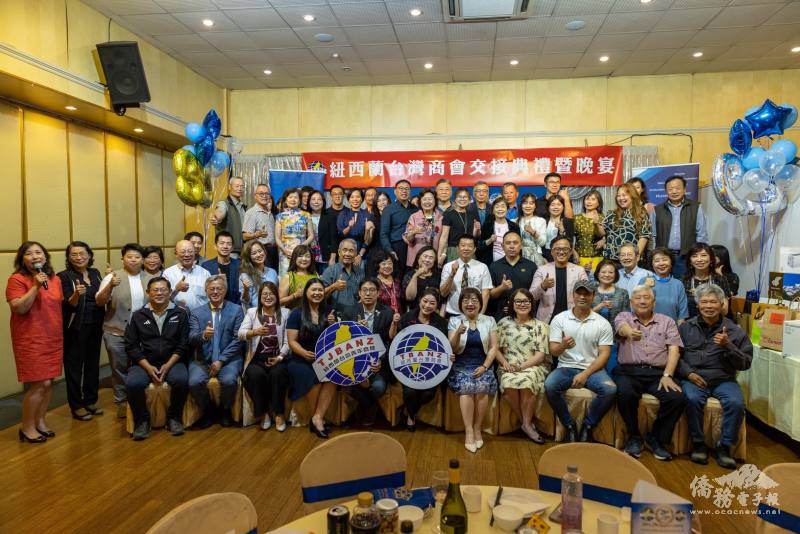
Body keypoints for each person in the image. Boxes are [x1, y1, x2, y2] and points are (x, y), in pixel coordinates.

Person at [677, 283, 752, 469]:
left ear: (721, 304)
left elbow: (745, 363)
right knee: (692, 399)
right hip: (694, 378)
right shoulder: (686, 327)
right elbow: (675, 356)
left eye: (713, 302)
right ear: (697, 305)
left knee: (736, 403)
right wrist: (689, 373)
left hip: (723, 379)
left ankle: (724, 447)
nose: (708, 306)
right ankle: (698, 444)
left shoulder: (734, 331)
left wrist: (728, 346)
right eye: (704, 302)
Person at [614, 285, 686, 461]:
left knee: (676, 397)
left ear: (654, 302)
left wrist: (667, 375)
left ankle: (655, 438)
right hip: (629, 372)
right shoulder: (624, 316)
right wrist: (630, 333)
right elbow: (622, 328)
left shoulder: (667, 321)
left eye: (646, 297)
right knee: (625, 393)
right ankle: (634, 436)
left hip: (658, 373)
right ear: (631, 302)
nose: (642, 301)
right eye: (638, 298)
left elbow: (674, 350)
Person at [545, 279, 616, 443]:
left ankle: (588, 426)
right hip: (566, 367)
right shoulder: (560, 319)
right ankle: (569, 425)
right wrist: (563, 345)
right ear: (573, 295)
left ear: (593, 296)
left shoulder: (602, 323)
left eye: (587, 294)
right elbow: (553, 351)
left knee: (610, 390)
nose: (582, 297)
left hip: (593, 369)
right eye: (579, 293)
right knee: (550, 386)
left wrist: (585, 374)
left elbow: (604, 354)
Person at [6, 241, 63, 443]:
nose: (35, 256)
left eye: (38, 252)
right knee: (40, 383)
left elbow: (56, 307)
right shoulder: (17, 279)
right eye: (29, 253)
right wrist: (36, 287)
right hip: (30, 339)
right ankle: (27, 428)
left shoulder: (54, 279)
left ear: (45, 257)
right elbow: (19, 308)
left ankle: (40, 422)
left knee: (49, 383)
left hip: (52, 337)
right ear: (22, 259)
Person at [124, 277, 190, 441]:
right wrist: (147, 367)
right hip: (145, 362)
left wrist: (168, 365)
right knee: (133, 383)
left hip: (173, 361)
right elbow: (131, 346)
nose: (159, 293)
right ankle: (142, 421)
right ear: (148, 293)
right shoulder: (138, 315)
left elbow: (183, 344)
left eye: (163, 290)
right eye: (155, 290)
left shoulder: (180, 313)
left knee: (181, 380)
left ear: (170, 292)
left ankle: (174, 417)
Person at [97, 243, 153, 417]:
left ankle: (140, 399)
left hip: (142, 333)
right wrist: (110, 285)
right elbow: (99, 301)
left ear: (143, 260)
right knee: (119, 367)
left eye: (137, 257)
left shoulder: (150, 278)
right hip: (115, 331)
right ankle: (121, 401)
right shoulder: (112, 277)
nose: (133, 260)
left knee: (141, 366)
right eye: (129, 257)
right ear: (122, 259)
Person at [337, 278, 397, 426]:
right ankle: (369, 407)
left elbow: (390, 342)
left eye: (372, 290)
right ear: (359, 293)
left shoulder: (388, 312)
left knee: (378, 387)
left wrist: (381, 361)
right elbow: (342, 341)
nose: (368, 293)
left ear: (378, 293)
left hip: (379, 364)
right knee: (348, 386)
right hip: (355, 362)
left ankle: (364, 408)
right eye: (365, 290)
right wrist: (355, 330)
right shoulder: (349, 312)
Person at [188, 276, 245, 428]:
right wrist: (203, 335)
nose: (215, 292)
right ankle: (208, 411)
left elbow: (238, 339)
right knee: (194, 382)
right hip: (202, 359)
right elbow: (191, 338)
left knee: (229, 381)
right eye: (211, 289)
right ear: (206, 291)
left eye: (219, 288)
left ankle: (225, 411)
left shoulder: (236, 310)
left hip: (228, 359)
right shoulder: (196, 312)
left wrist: (221, 360)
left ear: (225, 291)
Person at [58, 241, 106, 421]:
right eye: (74, 254)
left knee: (92, 364)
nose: (79, 257)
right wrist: (77, 294)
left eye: (82, 254)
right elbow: (67, 304)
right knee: (74, 367)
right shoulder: (64, 276)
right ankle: (77, 405)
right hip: (75, 327)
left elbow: (101, 297)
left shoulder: (95, 273)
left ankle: (90, 400)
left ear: (89, 255)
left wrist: (109, 282)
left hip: (96, 325)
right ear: (69, 258)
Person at [389, 287, 449, 431]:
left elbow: (444, 346)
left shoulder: (441, 322)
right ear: (419, 300)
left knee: (428, 394)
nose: (427, 306)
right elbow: (393, 338)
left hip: (431, 367)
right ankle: (411, 416)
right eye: (425, 301)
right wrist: (394, 323)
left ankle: (410, 410)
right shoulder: (407, 317)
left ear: (437, 305)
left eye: (432, 303)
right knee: (410, 392)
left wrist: (449, 355)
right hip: (407, 364)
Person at [447, 288, 499, 453]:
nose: (470, 304)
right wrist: (457, 333)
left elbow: (494, 347)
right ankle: (469, 430)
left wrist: (485, 366)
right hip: (460, 365)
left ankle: (477, 428)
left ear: (480, 304)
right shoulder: (454, 321)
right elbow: (451, 348)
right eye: (466, 301)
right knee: (467, 386)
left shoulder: (489, 320)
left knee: (482, 386)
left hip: (482, 364)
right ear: (461, 304)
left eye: (474, 300)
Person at [496, 288, 550, 444]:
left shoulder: (540, 326)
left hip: (533, 366)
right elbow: (495, 350)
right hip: (508, 365)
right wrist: (505, 363)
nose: (522, 304)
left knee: (528, 381)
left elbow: (540, 356)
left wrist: (521, 367)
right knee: (507, 382)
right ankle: (526, 424)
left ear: (532, 304)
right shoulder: (503, 323)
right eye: (518, 301)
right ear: (512, 304)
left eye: (526, 301)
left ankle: (526, 424)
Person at [286, 279, 337, 438]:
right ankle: (317, 420)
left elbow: (335, 338)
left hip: (323, 358)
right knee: (313, 377)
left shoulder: (329, 312)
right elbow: (292, 342)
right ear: (306, 293)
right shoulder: (296, 313)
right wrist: (304, 353)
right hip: (300, 358)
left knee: (333, 377)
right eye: (313, 290)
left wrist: (332, 324)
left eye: (320, 290)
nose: (317, 293)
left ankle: (317, 417)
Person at [240, 282, 290, 431]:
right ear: (260, 297)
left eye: (271, 294)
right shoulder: (252, 312)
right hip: (257, 358)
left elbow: (288, 341)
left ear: (277, 296)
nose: (268, 297)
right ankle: (264, 413)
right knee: (255, 375)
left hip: (277, 357)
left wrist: (280, 357)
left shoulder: (285, 313)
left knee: (278, 374)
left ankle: (279, 414)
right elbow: (240, 333)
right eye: (265, 294)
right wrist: (254, 332)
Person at [652, 175, 708, 279]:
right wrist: (654, 255)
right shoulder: (657, 210)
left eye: (677, 188)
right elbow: (653, 235)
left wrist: (697, 256)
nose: (674, 191)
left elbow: (701, 235)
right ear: (666, 192)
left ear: (684, 189)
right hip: (664, 257)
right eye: (670, 189)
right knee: (664, 283)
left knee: (685, 283)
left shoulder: (696, 207)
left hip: (686, 257)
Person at [530, 237, 588, 323]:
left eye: (565, 249)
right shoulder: (541, 270)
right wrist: (543, 286)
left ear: (570, 252)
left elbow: (587, 294)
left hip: (572, 319)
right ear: (552, 252)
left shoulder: (579, 271)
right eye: (557, 249)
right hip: (546, 320)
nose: (561, 252)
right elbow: (531, 297)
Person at [597, 183, 652, 262]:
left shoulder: (641, 214)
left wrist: (636, 256)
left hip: (630, 260)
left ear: (632, 196)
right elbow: (602, 233)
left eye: (624, 195)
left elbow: (644, 236)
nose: (621, 198)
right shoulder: (611, 213)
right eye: (618, 196)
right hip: (611, 259)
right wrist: (596, 224)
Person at [592, 258, 630, 374]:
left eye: (611, 272)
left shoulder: (622, 293)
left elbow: (627, 316)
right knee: (594, 372)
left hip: (615, 341)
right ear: (598, 273)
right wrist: (598, 307)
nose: (607, 275)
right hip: (592, 340)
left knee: (612, 371)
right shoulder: (590, 291)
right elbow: (583, 315)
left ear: (615, 274)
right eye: (603, 272)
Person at [440, 235, 493, 317]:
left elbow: (485, 294)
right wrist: (452, 275)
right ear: (457, 248)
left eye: (470, 246)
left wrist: (480, 315)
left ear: (474, 249)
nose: (466, 248)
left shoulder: (483, 267)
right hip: (453, 314)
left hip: (475, 314)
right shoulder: (448, 266)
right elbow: (443, 293)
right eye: (463, 245)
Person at [488, 231, 537, 320]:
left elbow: (535, 295)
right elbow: (490, 295)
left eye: (515, 243)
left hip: (526, 316)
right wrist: (502, 287)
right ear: (502, 246)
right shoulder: (494, 266)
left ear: (521, 245)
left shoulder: (531, 266)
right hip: (501, 316)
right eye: (508, 243)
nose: (512, 246)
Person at [275, 188, 315, 277]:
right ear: (286, 200)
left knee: (301, 275)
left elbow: (311, 235)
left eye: (296, 197)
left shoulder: (306, 215)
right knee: (286, 276)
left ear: (300, 200)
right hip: (285, 253)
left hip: (302, 252)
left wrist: (301, 248)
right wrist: (284, 250)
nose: (293, 200)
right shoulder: (280, 216)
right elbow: (277, 237)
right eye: (290, 197)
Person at [683, 243, 730, 318]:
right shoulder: (683, 281)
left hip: (715, 322)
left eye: (703, 255)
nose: (699, 259)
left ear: (711, 259)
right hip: (689, 323)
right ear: (690, 261)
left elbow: (725, 311)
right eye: (694, 256)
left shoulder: (720, 280)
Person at [379, 180, 416, 275]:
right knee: (397, 276)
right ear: (395, 191)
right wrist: (390, 250)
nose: (404, 191)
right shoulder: (389, 209)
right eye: (401, 188)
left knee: (412, 275)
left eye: (407, 189)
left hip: (413, 247)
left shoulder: (415, 209)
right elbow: (384, 234)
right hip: (396, 247)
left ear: (410, 191)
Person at [643, 248, 689, 323]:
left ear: (671, 263)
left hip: (672, 329)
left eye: (665, 260)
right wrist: (645, 288)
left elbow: (682, 316)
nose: (661, 263)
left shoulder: (678, 284)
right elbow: (636, 309)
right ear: (652, 264)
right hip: (646, 328)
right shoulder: (644, 281)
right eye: (657, 261)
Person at [163, 240, 211, 310]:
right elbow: (162, 297)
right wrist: (176, 289)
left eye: (190, 251)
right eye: (183, 252)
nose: (187, 255)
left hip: (200, 315)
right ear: (176, 254)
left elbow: (210, 296)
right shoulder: (168, 273)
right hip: (176, 314)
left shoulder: (205, 273)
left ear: (194, 253)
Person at [438, 188, 480, 266]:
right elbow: (444, 237)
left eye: (465, 197)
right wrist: (440, 255)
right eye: (459, 197)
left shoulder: (472, 215)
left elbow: (474, 236)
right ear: (455, 199)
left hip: (469, 249)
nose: (462, 199)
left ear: (469, 200)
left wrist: (477, 229)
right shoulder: (448, 214)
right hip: (454, 250)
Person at [403, 189, 443, 269]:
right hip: (416, 260)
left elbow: (444, 240)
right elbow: (408, 239)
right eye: (424, 199)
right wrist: (414, 232)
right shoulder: (414, 217)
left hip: (434, 259)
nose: (427, 202)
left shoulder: (441, 218)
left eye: (430, 199)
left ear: (435, 201)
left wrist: (442, 256)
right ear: (420, 202)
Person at [320, 238, 365, 309]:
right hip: (336, 313)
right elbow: (319, 295)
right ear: (339, 252)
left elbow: (363, 294)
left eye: (351, 251)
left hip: (356, 313)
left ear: (356, 253)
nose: (347, 254)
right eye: (345, 250)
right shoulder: (330, 271)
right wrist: (333, 287)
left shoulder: (360, 272)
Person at [242, 183, 277, 269]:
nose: (264, 196)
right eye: (261, 194)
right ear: (255, 196)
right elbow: (244, 236)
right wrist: (257, 234)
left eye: (267, 194)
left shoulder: (270, 212)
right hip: (261, 252)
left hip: (273, 251)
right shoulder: (251, 213)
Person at [210, 176, 246, 257]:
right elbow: (221, 211)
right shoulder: (224, 203)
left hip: (242, 251)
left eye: (242, 186)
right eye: (237, 186)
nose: (239, 189)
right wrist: (217, 217)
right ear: (229, 187)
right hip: (230, 251)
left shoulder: (243, 206)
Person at [201, 231, 241, 305]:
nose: (225, 246)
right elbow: (204, 291)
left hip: (235, 306)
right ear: (215, 246)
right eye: (222, 243)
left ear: (232, 248)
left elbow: (240, 292)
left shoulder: (239, 265)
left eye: (229, 244)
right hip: (213, 306)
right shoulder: (206, 266)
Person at [336, 188, 374, 266]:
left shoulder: (367, 215)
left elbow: (368, 240)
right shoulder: (343, 214)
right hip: (345, 253)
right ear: (348, 200)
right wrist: (349, 227)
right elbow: (340, 234)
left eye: (358, 197)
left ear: (362, 199)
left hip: (361, 254)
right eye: (352, 197)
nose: (355, 199)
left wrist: (360, 255)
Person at [479, 197, 520, 265]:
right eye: (497, 207)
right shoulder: (487, 225)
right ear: (493, 210)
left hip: (510, 263)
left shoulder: (514, 226)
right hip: (491, 263)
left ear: (507, 209)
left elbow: (518, 246)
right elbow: (479, 247)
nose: (500, 209)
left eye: (503, 206)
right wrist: (490, 240)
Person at [239, 239, 279, 309]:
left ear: (264, 251)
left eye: (260, 251)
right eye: (254, 253)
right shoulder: (245, 276)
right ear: (249, 257)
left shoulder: (273, 272)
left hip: (272, 311)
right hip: (255, 311)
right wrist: (246, 290)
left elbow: (276, 295)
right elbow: (245, 301)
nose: (258, 255)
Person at [278, 245, 319, 310]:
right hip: (295, 313)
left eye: (307, 256)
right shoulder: (288, 277)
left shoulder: (315, 274)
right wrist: (295, 295)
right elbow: (279, 302)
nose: (304, 259)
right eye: (300, 256)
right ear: (294, 258)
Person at [574, 189, 604, 272]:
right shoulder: (577, 218)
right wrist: (574, 253)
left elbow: (607, 235)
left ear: (598, 203)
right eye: (587, 199)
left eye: (593, 199)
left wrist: (604, 240)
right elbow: (568, 238)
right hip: (580, 257)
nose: (589, 202)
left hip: (598, 258)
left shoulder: (603, 218)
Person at [308, 190, 337, 274]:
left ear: (323, 202)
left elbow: (334, 238)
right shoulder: (305, 216)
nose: (316, 202)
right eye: (313, 199)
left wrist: (333, 258)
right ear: (309, 201)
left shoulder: (330, 217)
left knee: (325, 280)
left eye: (319, 199)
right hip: (308, 257)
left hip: (325, 257)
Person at [629, 177, 656, 268]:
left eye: (637, 187)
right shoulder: (623, 208)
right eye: (632, 188)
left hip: (646, 252)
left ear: (642, 189)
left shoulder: (650, 207)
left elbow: (652, 232)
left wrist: (651, 252)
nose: (634, 190)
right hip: (628, 252)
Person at [516, 193, 547, 266]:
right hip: (519, 256)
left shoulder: (541, 221)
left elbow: (542, 243)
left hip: (536, 257)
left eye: (531, 203)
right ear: (521, 205)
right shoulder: (515, 221)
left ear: (535, 206)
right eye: (525, 203)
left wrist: (533, 232)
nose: (528, 206)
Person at [542, 195, 574, 262]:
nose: (556, 207)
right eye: (552, 205)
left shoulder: (567, 221)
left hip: (562, 255)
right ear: (548, 207)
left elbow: (570, 242)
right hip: (545, 255)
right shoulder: (542, 220)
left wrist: (562, 230)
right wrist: (542, 257)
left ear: (563, 207)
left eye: (559, 205)